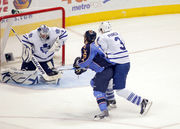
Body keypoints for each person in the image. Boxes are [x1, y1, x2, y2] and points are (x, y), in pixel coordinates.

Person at [97, 21, 152, 115]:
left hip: (119, 64)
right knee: (108, 80)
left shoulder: (102, 37)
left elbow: (103, 51)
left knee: (120, 90)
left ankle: (142, 101)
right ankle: (111, 101)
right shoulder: (117, 33)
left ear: (102, 29)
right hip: (124, 61)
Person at [73, 30, 114, 120]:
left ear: (86, 38)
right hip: (109, 69)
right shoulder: (96, 46)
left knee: (97, 91)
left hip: (104, 71)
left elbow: (85, 62)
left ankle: (104, 112)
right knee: (93, 82)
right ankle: (106, 101)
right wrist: (82, 68)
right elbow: (92, 62)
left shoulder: (87, 47)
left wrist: (78, 63)